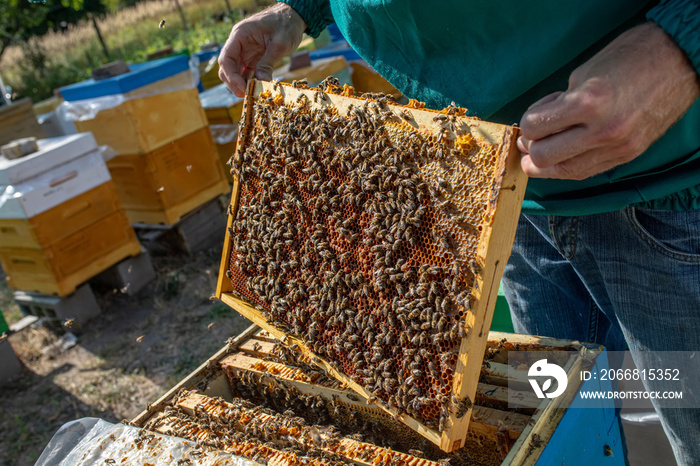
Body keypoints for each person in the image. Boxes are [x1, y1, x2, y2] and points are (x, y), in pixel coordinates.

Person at [218, 1, 700, 464]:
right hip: (494, 187)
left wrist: (681, 44)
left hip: (662, 178)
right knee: (559, 426)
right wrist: (302, 6)